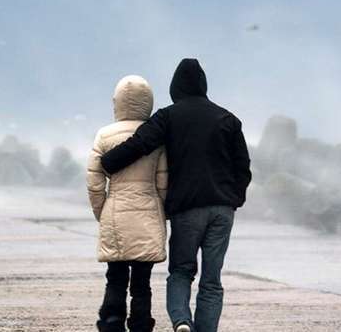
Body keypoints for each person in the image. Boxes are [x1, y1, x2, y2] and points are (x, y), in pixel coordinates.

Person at [100, 59, 252, 332]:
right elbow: (242, 167)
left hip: (187, 208)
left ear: (175, 88)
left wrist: (108, 161)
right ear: (203, 86)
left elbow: (140, 144)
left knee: (181, 271)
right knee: (212, 280)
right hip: (222, 210)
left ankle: (182, 321)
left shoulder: (168, 116)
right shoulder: (228, 119)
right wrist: (235, 199)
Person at [87, 75, 170, 332]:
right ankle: (141, 324)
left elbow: (94, 182)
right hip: (147, 213)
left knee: (115, 277)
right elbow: (163, 182)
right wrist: (160, 212)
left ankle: (112, 322)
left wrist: (103, 212)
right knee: (142, 282)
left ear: (118, 102)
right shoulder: (155, 136)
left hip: (116, 212)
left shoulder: (104, 135)